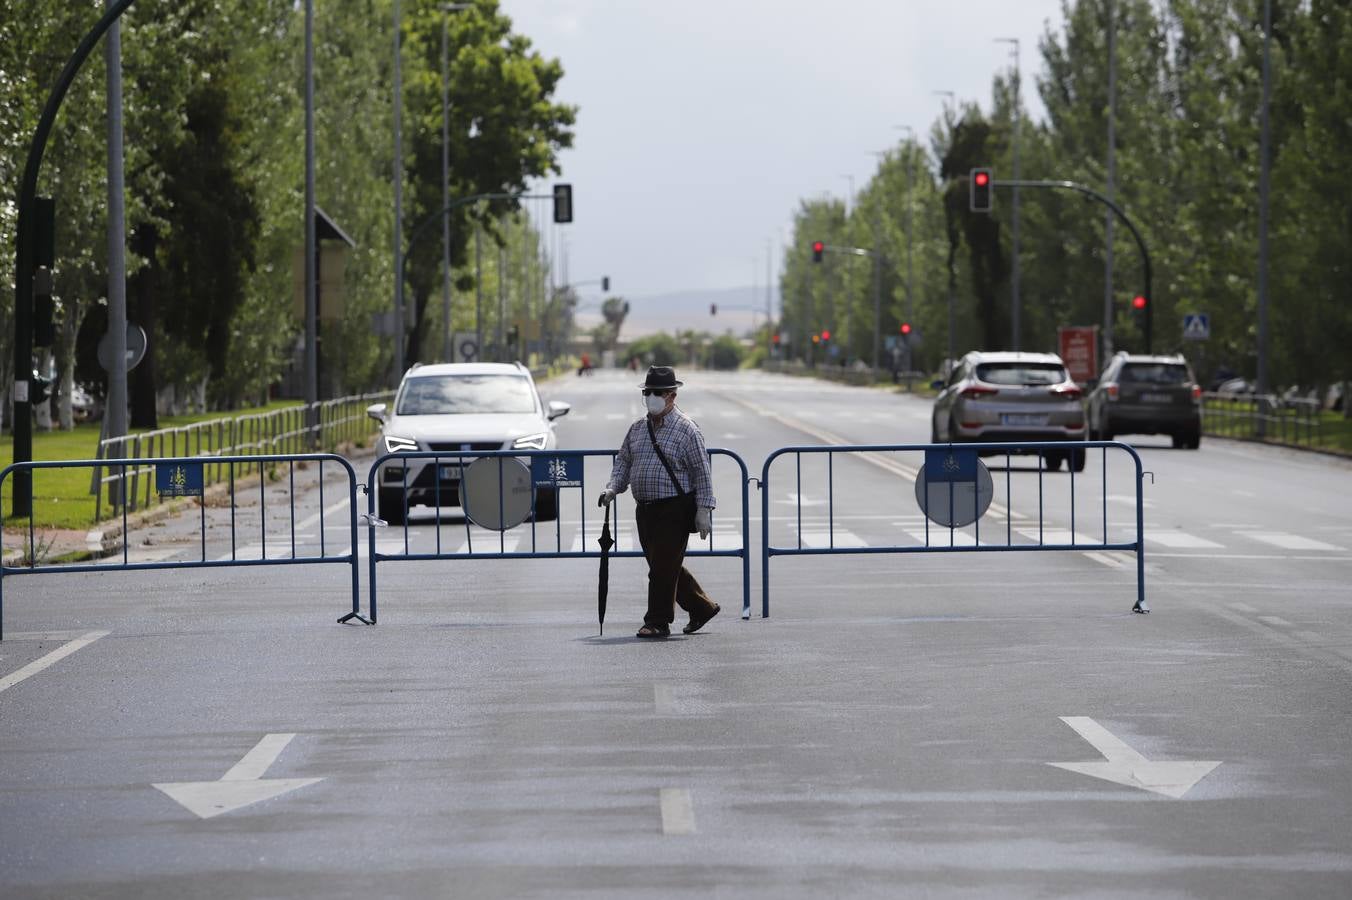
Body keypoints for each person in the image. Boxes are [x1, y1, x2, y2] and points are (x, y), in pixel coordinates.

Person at [599, 366, 719, 639]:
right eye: (648, 392)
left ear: (672, 396)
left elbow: (702, 472)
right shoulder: (638, 429)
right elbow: (624, 462)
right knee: (663, 565)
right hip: (646, 510)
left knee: (663, 568)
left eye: (658, 393)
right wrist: (612, 489)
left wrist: (703, 510)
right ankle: (702, 607)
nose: (651, 397)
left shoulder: (686, 430)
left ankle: (658, 621)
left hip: (675, 508)